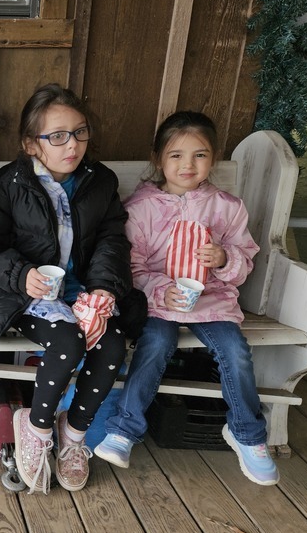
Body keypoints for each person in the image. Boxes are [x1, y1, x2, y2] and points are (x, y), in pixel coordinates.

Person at [0, 83, 133, 494]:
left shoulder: (100, 182)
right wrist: (22, 275)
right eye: (58, 136)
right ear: (31, 144)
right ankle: (36, 430)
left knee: (111, 346)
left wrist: (104, 286)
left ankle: (73, 435)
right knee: (68, 342)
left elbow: (112, 240)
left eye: (80, 132)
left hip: (81, 292)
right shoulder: (5, 185)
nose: (72, 145)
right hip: (22, 296)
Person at [95, 111, 279, 485]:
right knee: (155, 343)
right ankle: (124, 429)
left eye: (200, 155)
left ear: (214, 158)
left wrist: (224, 259)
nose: (188, 165)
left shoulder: (227, 207)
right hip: (159, 302)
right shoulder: (141, 208)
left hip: (213, 300)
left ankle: (248, 435)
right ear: (158, 158)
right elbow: (131, 267)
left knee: (235, 351)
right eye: (176, 155)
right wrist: (161, 290)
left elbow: (244, 260)